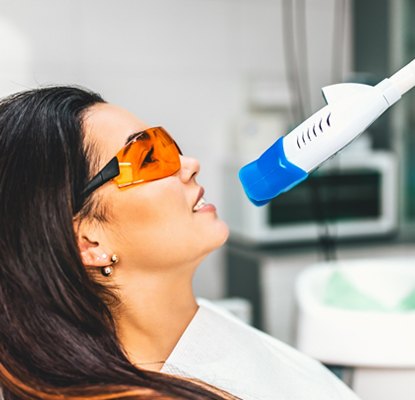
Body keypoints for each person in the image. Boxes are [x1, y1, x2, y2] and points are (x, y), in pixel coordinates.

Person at [0, 86, 360, 400]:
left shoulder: (199, 323)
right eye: (148, 157)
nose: (190, 164)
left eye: (168, 145)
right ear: (88, 242)